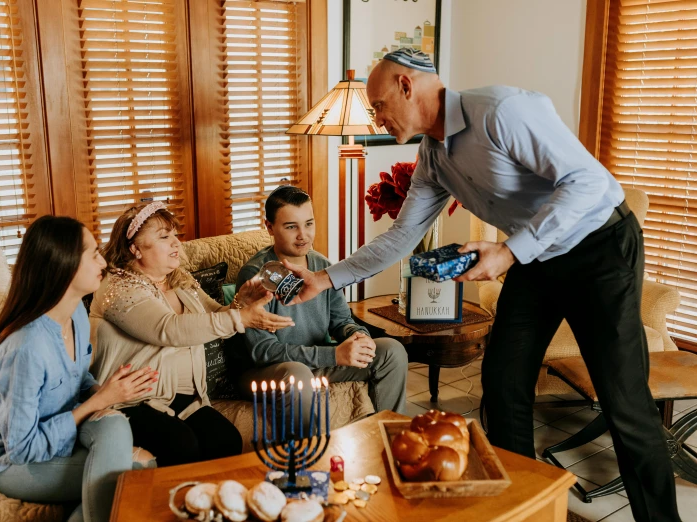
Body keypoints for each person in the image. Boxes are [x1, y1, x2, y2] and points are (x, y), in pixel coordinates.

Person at [282, 49, 681, 522]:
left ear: (407, 86)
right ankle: (527, 512)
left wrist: (510, 252)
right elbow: (401, 237)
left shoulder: (501, 111)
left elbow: (588, 182)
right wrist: (325, 278)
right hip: (536, 255)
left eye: (379, 105)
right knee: (503, 382)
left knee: (624, 400)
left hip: (600, 248)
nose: (377, 118)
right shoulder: (432, 157)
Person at [0, 216, 157, 522]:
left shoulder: (76, 313)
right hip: (7, 460)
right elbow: (21, 448)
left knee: (115, 426)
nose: (104, 260)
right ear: (66, 263)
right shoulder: (26, 347)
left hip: (63, 427)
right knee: (137, 473)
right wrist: (98, 402)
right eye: (94, 253)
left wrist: (104, 390)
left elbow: (77, 377)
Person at [90, 202, 295, 466]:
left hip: (184, 398)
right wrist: (238, 317)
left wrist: (240, 304)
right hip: (130, 400)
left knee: (227, 440)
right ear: (135, 248)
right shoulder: (117, 287)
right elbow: (168, 329)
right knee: (182, 446)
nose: (176, 243)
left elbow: (212, 319)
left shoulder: (179, 279)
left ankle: (213, 506)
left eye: (175, 234)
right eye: (164, 237)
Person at [234, 185, 408, 422]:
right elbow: (264, 352)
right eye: (291, 226)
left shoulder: (322, 266)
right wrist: (333, 356)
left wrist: (359, 336)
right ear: (270, 228)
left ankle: (387, 436)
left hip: (314, 364)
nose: (303, 235)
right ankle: (308, 457)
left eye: (308, 223)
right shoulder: (256, 275)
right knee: (297, 373)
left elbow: (342, 320)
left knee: (391, 351)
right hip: (270, 372)